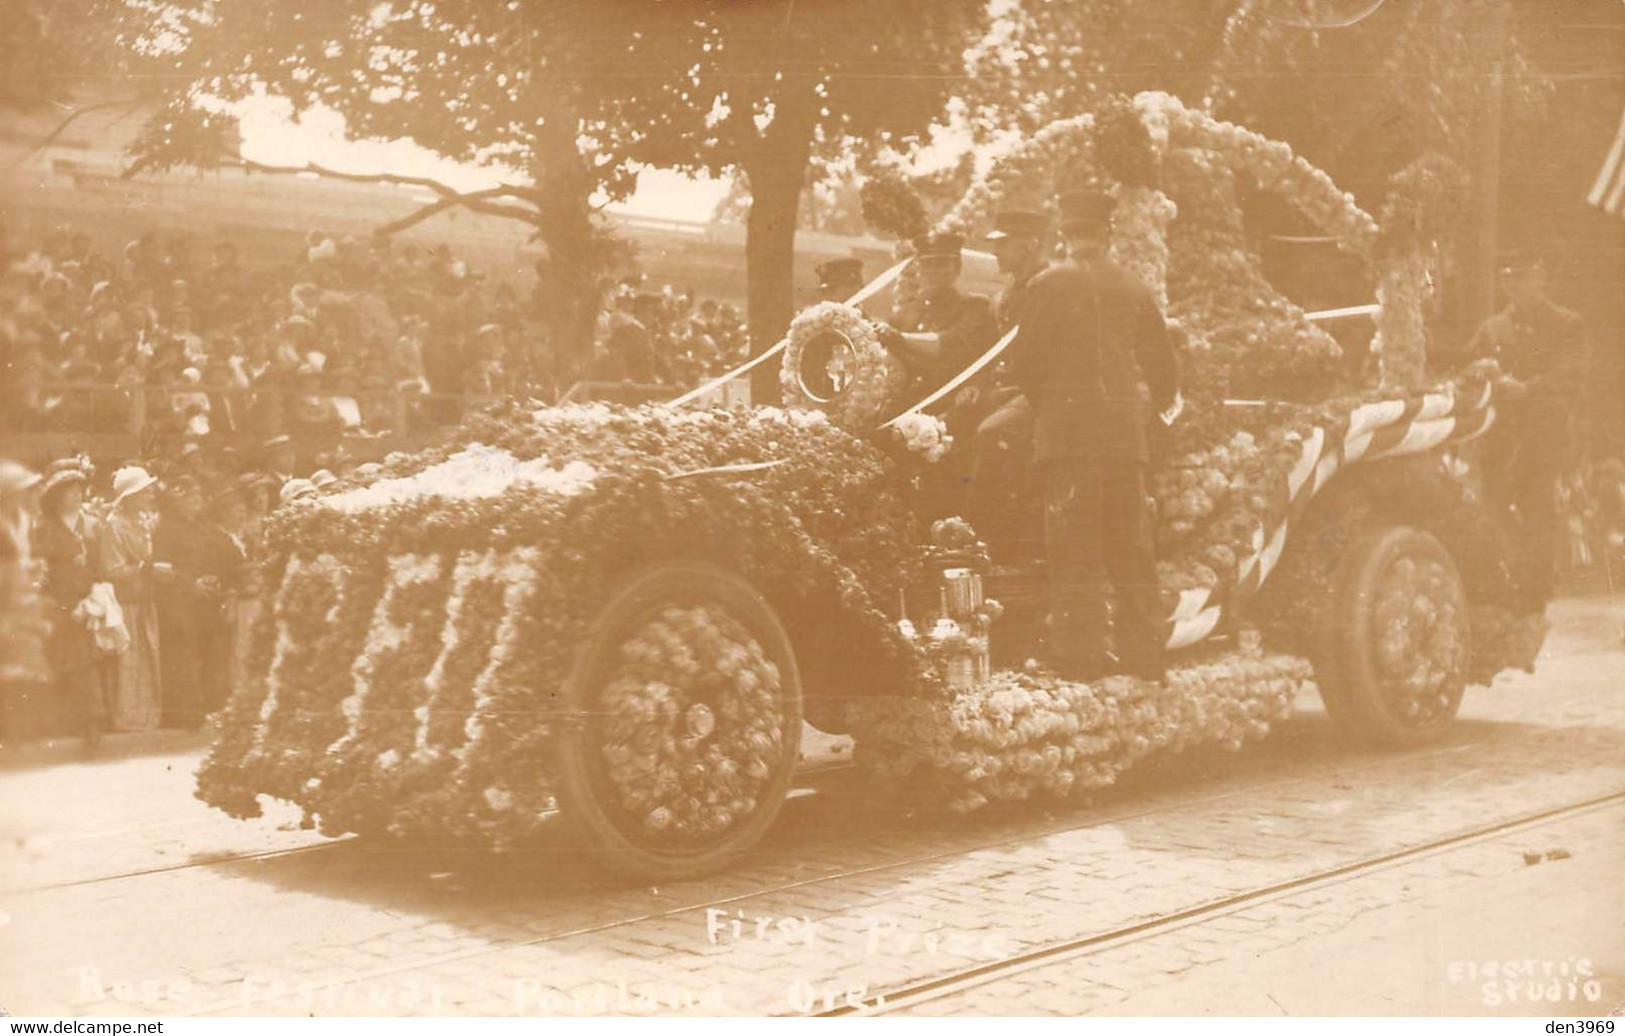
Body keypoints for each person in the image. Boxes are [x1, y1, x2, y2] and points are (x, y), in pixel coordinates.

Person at [1008, 189, 1180, 682]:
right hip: (1125, 441)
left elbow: (1025, 367)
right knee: (1132, 550)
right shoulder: (1133, 287)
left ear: (1067, 233)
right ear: (1106, 234)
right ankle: (1146, 658)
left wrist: (1052, 412)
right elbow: (1164, 370)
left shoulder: (1045, 286)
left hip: (1067, 440)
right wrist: (1144, 414)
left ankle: (1081, 659)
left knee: (1075, 551)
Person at [1468, 252, 1596, 605]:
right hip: (1498, 438)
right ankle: (1503, 585)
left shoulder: (1568, 324)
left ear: (1540, 277)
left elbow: (1572, 378)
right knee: (1490, 510)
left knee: (1539, 511)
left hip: (1544, 434)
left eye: (1521, 276)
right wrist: (1478, 373)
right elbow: (1468, 365)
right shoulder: (1492, 328)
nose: (1513, 285)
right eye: (1506, 278)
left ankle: (1534, 595)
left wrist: (1528, 389)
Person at [953, 209, 1052, 545]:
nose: (996, 251)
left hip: (1039, 391)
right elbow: (992, 349)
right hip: (1005, 388)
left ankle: (985, 539)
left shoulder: (1049, 286)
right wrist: (976, 385)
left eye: (1005, 244)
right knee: (949, 425)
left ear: (1031, 244)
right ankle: (952, 529)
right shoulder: (1009, 290)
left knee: (990, 435)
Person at [35, 462, 111, 744]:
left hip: (87, 603)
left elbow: (100, 566)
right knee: (60, 661)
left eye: (79, 489)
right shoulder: (45, 528)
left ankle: (91, 724)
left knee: (86, 662)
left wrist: (97, 598)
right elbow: (41, 568)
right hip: (57, 604)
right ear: (56, 496)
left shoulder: (92, 524)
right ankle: (63, 723)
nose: (76, 495)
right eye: (68, 491)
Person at [878, 232, 997, 389]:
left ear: (956, 269)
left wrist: (899, 337)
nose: (934, 270)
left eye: (942, 263)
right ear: (918, 268)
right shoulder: (904, 313)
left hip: (952, 397)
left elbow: (948, 343)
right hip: (908, 398)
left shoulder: (974, 306)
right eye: (927, 263)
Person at [95, 466, 164, 731]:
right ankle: (127, 718)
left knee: (148, 653)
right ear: (129, 496)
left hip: (146, 598)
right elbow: (110, 568)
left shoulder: (145, 521)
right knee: (129, 658)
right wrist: (145, 570)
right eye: (144, 491)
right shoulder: (114, 525)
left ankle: (148, 716)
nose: (150, 494)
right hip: (126, 602)